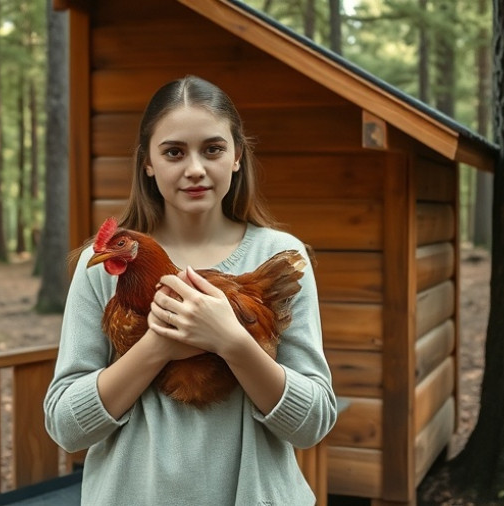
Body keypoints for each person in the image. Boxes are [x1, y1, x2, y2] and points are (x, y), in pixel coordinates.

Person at [44, 75, 336, 505]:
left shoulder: (280, 254)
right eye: (174, 152)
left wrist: (232, 341)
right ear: (148, 162)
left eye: (213, 149)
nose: (195, 168)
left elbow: (312, 424)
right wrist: (160, 345)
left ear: (237, 155)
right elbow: (67, 427)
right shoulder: (103, 264)